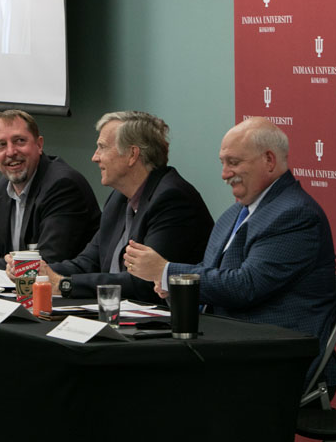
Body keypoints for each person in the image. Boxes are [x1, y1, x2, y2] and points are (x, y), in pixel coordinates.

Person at [124, 116, 336, 388]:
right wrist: (170, 288)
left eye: (234, 162)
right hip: (225, 348)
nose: (224, 174)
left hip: (277, 359)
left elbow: (247, 285)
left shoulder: (295, 214)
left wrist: (168, 273)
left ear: (269, 161)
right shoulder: (234, 214)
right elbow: (215, 278)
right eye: (222, 163)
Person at [27, 111, 214, 303]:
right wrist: (34, 270)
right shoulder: (118, 198)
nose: (95, 157)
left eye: (102, 147)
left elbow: (145, 282)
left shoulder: (173, 200)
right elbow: (88, 262)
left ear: (132, 154)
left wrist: (65, 284)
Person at [0, 109, 101, 269]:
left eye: (20, 141)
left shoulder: (63, 185)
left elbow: (47, 263)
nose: (11, 152)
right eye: (1, 145)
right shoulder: (4, 186)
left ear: (39, 144)